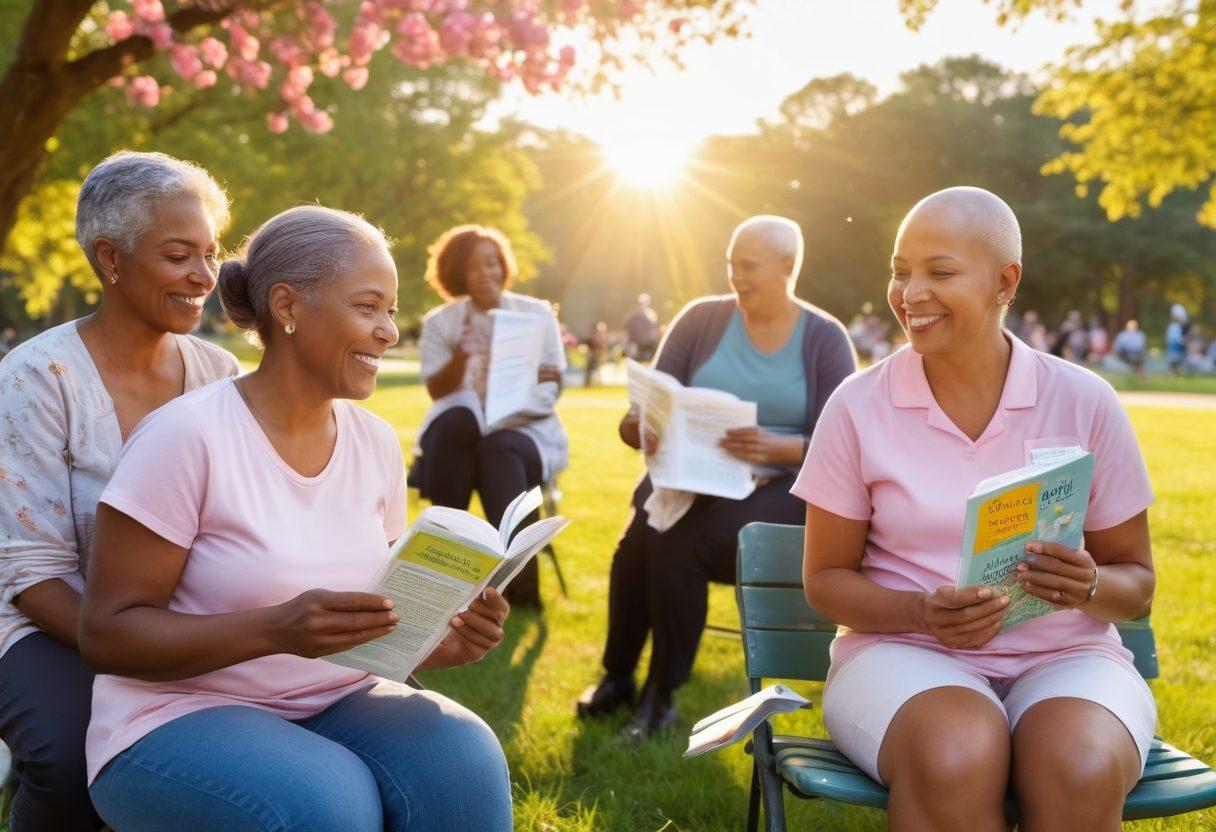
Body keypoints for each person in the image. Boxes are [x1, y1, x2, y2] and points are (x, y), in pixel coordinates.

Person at [78, 206, 513, 832]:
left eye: (391, 311)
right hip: (176, 713)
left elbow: (380, 626)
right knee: (327, 802)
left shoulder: (376, 443)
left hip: (337, 696)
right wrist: (277, 630)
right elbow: (107, 636)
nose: (390, 331)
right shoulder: (186, 437)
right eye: (368, 307)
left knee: (464, 759)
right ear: (287, 307)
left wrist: (447, 640)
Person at [797, 187, 1156, 831]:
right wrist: (920, 612)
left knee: (1078, 765)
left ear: (1005, 281)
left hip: (1067, 659)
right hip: (901, 654)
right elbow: (824, 581)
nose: (910, 293)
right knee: (956, 751)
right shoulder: (856, 405)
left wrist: (1090, 584)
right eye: (900, 271)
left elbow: (1137, 586)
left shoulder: (1086, 400)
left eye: (939, 272)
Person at [0, 151, 238, 832]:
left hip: (175, 621)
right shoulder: (37, 377)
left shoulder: (218, 371)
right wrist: (150, 650)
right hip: (41, 622)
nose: (203, 276)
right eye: (178, 255)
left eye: (211, 253)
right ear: (110, 257)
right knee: (76, 759)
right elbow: (30, 573)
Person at [577, 215, 857, 739]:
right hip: (691, 473)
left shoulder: (824, 338)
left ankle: (661, 694)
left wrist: (785, 446)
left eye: (749, 266)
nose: (736, 276)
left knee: (678, 546)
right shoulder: (701, 320)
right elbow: (643, 410)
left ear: (788, 267)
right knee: (637, 542)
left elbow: (847, 444)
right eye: (731, 264)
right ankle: (618, 677)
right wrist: (642, 428)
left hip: (782, 484)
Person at [412, 225, 567, 610]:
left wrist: (506, 407)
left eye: (493, 262)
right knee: (457, 426)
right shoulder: (441, 323)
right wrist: (463, 356)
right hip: (462, 432)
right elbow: (437, 391)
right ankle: (446, 578)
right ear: (456, 274)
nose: (487, 273)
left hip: (524, 431)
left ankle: (519, 587)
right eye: (474, 266)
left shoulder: (536, 314)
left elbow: (551, 387)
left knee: (497, 449)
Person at [624, 292, 662, 361]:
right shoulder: (633, 316)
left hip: (649, 350)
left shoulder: (652, 315)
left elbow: (656, 333)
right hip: (637, 350)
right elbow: (628, 333)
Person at [1166, 303, 1189, 374]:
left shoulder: (1181, 326)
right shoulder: (1173, 326)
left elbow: (1182, 338)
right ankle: (1173, 373)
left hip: (1178, 347)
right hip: (1173, 346)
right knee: (1173, 361)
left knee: (1177, 361)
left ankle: (1175, 373)